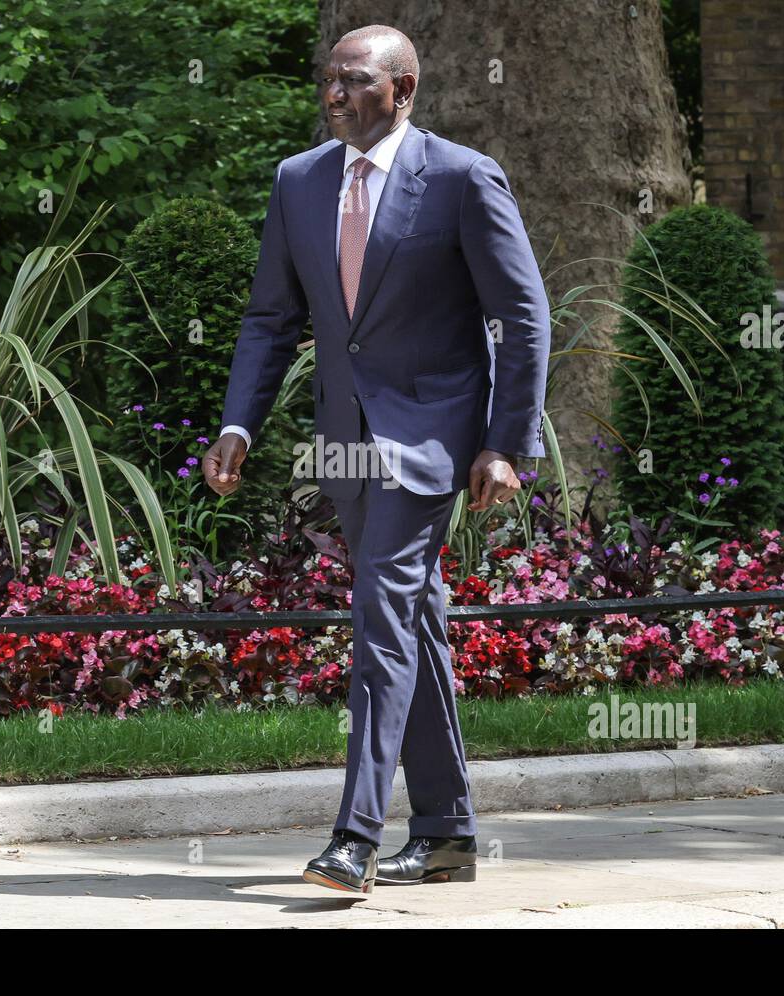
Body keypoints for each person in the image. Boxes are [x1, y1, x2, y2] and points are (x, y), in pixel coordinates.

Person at [203, 24, 549, 893]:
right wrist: (238, 425)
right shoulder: (299, 181)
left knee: (381, 620)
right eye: (328, 81)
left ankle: (354, 836)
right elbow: (271, 320)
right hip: (344, 444)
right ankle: (447, 835)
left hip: (431, 443)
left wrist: (507, 443)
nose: (335, 96)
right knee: (415, 626)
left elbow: (523, 316)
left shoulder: (464, 178)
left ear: (404, 88)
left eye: (354, 81)